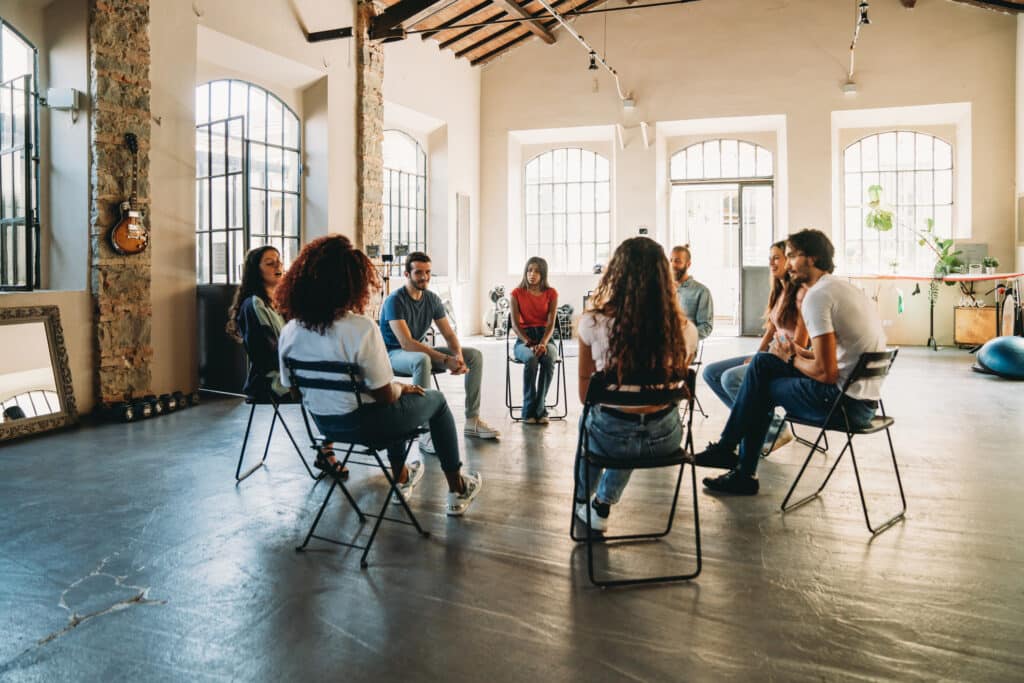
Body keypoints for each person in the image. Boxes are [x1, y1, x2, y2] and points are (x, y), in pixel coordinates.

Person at [277, 235, 482, 515]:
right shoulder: (360, 328)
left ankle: (401, 477)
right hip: (370, 426)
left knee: (393, 404)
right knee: (434, 401)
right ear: (352, 283)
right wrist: (401, 388)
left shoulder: (289, 331)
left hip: (325, 427)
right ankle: (457, 489)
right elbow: (385, 394)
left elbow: (294, 391)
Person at [696, 229, 887, 495]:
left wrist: (792, 356)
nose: (788, 264)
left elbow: (826, 372)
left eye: (792, 256)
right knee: (762, 364)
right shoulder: (842, 288)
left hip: (842, 405)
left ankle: (739, 466)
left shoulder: (817, 297)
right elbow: (833, 357)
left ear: (813, 258)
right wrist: (798, 351)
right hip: (863, 402)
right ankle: (729, 451)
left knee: (760, 389)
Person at [574, 237, 695, 532]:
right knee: (635, 416)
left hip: (611, 438)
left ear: (616, 274)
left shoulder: (593, 323)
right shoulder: (686, 331)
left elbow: (584, 395)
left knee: (597, 420)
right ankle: (602, 503)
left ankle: (582, 499)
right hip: (665, 440)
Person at [227, 245, 344, 475]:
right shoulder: (254, 305)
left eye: (279, 261)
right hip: (269, 381)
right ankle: (326, 452)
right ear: (255, 271)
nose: (278, 266)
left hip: (290, 371)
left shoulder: (281, 302)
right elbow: (266, 355)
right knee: (329, 386)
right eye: (270, 263)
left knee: (335, 378)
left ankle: (327, 447)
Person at [380, 251, 499, 453]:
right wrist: (445, 359)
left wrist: (459, 357)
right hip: (393, 354)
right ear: (407, 274)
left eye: (427, 272)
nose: (424, 277)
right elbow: (407, 343)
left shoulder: (432, 299)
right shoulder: (394, 300)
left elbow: (449, 335)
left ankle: (472, 420)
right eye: (418, 272)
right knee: (421, 359)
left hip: (417, 352)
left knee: (474, 356)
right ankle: (424, 432)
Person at [701, 241, 809, 454]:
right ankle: (761, 427)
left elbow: (801, 343)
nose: (771, 262)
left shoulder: (801, 295)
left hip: (787, 359)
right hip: (771, 354)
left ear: (789, 260)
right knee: (711, 373)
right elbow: (771, 329)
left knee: (730, 379)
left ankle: (773, 428)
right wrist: (759, 354)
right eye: (770, 257)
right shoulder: (780, 291)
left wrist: (764, 359)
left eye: (776, 257)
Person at [509, 257, 559, 425]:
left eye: (537, 271)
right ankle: (528, 409)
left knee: (549, 358)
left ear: (543, 274)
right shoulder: (516, 293)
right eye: (529, 270)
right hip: (524, 339)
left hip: (546, 337)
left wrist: (543, 343)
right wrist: (529, 343)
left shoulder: (551, 293)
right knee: (531, 359)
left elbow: (551, 323)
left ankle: (540, 408)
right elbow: (515, 325)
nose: (532, 274)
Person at [671, 244, 714, 340]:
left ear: (688, 264)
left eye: (678, 261)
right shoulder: (664, 289)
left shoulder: (701, 292)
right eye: (671, 260)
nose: (673, 265)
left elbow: (705, 327)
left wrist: (680, 338)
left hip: (685, 349)